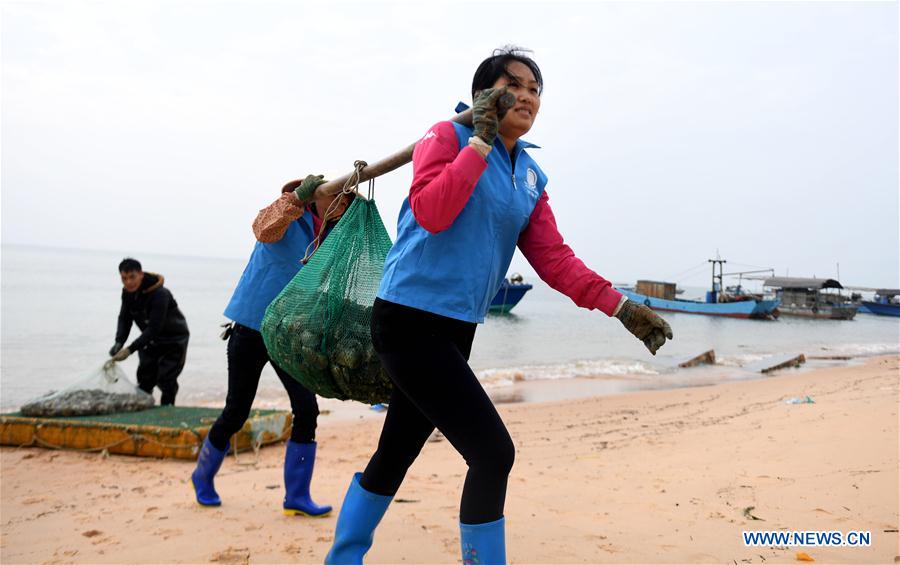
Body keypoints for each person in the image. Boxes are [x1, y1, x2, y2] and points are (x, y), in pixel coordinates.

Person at [325, 47, 673, 564]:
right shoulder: (444, 137)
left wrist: (622, 307)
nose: (527, 96)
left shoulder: (530, 175)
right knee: (493, 454)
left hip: (457, 330)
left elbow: (554, 260)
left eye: (536, 89)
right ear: (484, 94)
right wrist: (480, 143)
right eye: (516, 84)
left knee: (395, 451)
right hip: (407, 320)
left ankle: (342, 558)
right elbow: (433, 211)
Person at [190, 174, 351, 516]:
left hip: (289, 333)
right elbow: (262, 228)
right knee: (236, 411)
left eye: (345, 198)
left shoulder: (331, 233)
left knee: (307, 410)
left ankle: (297, 496)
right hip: (250, 328)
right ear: (316, 197)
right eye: (336, 195)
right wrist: (296, 199)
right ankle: (202, 476)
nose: (341, 202)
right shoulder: (286, 217)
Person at [108, 258, 190, 406]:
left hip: (174, 340)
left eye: (132, 277)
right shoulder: (127, 294)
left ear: (141, 274)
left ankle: (168, 409)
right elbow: (125, 318)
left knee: (165, 379)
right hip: (150, 340)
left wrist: (130, 349)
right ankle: (143, 409)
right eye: (124, 278)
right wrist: (119, 341)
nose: (128, 282)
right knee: (145, 378)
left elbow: (154, 328)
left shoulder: (160, 294)